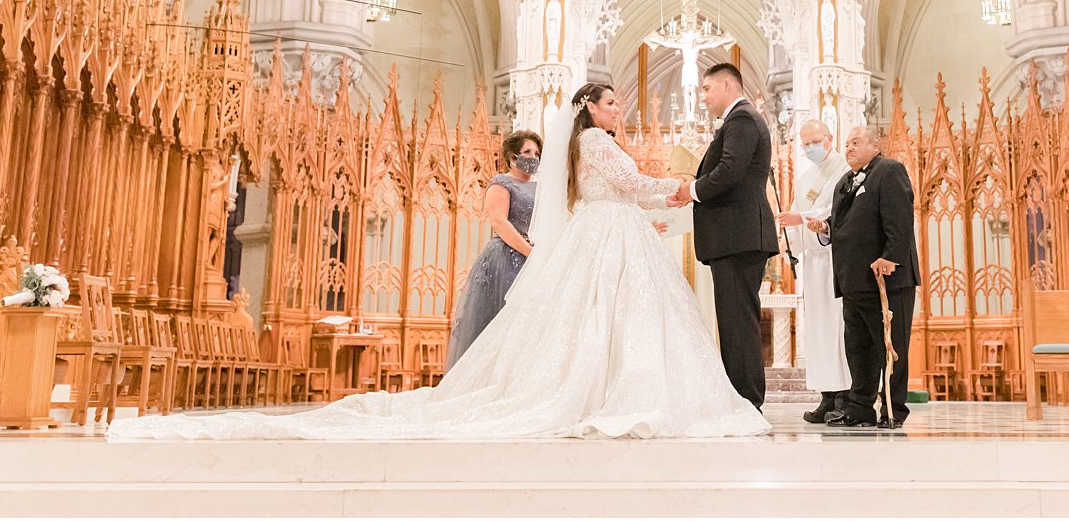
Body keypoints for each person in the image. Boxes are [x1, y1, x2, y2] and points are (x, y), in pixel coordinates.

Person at [108, 82, 768, 441]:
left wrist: (680, 188)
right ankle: (610, 394)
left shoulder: (588, 144)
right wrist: (683, 188)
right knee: (608, 322)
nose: (620, 107)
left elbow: (630, 186)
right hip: (613, 234)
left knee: (604, 324)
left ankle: (606, 387)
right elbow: (632, 185)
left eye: (619, 101)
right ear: (589, 109)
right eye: (611, 99)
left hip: (613, 234)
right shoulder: (598, 142)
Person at [667, 62, 777, 409]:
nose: (703, 97)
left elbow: (730, 171)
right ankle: (741, 397)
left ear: (727, 85)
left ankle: (746, 400)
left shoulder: (741, 119)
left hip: (737, 235)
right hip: (735, 236)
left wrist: (692, 190)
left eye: (706, 88)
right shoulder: (738, 120)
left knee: (738, 320)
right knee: (734, 319)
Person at [805, 126, 919, 429]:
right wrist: (825, 227)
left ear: (874, 145)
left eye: (856, 142)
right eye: (847, 144)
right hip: (853, 280)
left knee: (890, 346)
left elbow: (900, 219)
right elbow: (841, 222)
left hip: (887, 280)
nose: (849, 148)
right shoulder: (845, 181)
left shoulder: (889, 171)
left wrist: (891, 257)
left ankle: (893, 409)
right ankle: (860, 408)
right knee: (858, 347)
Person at [775, 119, 852, 423]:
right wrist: (791, 243)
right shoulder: (805, 176)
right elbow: (796, 211)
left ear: (829, 139)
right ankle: (826, 397)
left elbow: (834, 213)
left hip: (835, 258)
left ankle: (845, 397)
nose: (809, 148)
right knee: (818, 332)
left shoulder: (843, 171)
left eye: (814, 142)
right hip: (813, 263)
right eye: (805, 144)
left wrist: (801, 218)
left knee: (837, 330)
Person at [445, 130, 541, 367]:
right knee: (499, 319)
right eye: (527, 152)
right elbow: (499, 222)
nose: (533, 157)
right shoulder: (502, 183)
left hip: (535, 259)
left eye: (537, 153)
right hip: (506, 258)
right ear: (512, 156)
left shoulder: (542, 187)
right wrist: (530, 253)